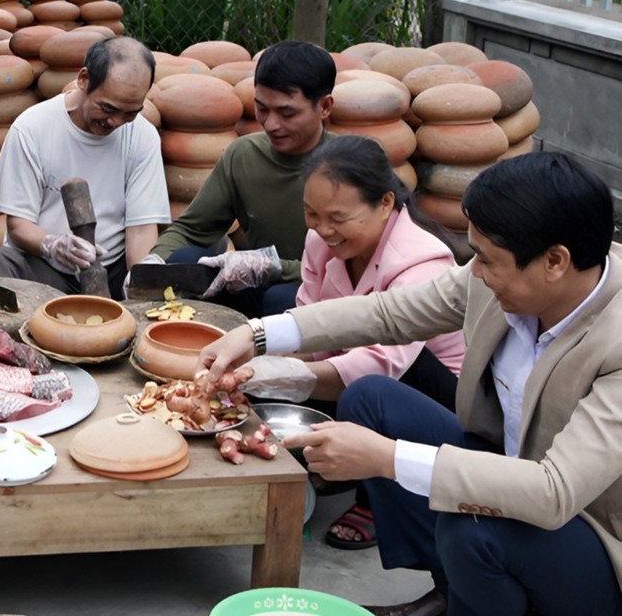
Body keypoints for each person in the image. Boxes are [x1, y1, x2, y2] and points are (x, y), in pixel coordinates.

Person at [199, 152, 622, 616]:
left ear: (555, 261)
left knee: (473, 529)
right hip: (505, 469)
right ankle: (452, 592)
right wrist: (258, 334)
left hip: (589, 534)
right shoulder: (493, 281)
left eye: (487, 259)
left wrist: (386, 458)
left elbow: (552, 491)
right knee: (372, 399)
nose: (473, 271)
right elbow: (388, 312)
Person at [251, 135, 465, 553]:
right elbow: (310, 321)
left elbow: (383, 361)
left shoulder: (423, 261)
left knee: (374, 385)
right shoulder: (322, 241)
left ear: (385, 203)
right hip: (358, 370)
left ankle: (378, 495)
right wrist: (260, 363)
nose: (322, 228)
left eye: (337, 217)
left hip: (436, 398)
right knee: (281, 308)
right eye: (311, 213)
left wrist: (285, 378)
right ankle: (343, 465)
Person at [132, 40, 335, 316]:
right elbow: (192, 229)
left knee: (280, 299)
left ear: (324, 106)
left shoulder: (348, 167)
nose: (272, 124)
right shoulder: (243, 155)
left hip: (325, 294)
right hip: (258, 284)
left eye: (287, 113)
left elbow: (357, 265)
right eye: (262, 108)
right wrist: (153, 263)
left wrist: (273, 266)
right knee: (185, 261)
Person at [0, 36, 169, 299]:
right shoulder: (32, 128)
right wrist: (54, 246)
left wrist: (138, 280)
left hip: (111, 268)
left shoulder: (143, 136)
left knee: (191, 256)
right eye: (107, 108)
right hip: (46, 267)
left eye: (130, 113)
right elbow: (18, 225)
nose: (115, 122)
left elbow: (140, 228)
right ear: (83, 79)